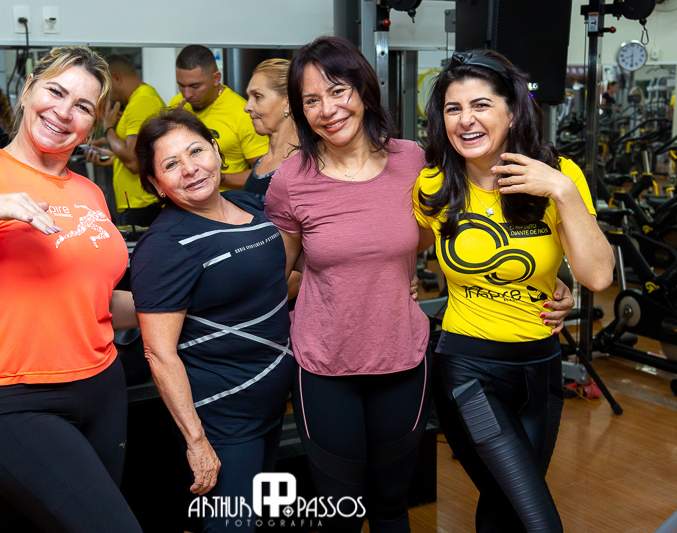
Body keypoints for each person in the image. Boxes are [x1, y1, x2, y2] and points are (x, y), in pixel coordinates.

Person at [0, 46, 142, 533]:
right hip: (11, 399)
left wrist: (179, 303)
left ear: (92, 125)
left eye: (83, 106)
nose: (64, 111)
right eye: (55, 91)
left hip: (102, 388)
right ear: (27, 90)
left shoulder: (89, 192)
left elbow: (91, 301)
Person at [413, 50, 614, 532]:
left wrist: (562, 190)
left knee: (504, 510)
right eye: (453, 108)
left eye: (481, 105)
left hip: (542, 370)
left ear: (512, 111)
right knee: (538, 522)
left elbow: (599, 277)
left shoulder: (560, 176)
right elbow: (398, 249)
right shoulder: (433, 183)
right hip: (468, 372)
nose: (465, 119)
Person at [263, 35, 433, 532]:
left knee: (391, 506)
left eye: (338, 91)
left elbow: (429, 237)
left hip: (401, 357)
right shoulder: (291, 179)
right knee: (340, 512)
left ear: (362, 89)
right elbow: (277, 274)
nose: (328, 110)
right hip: (324, 365)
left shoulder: (412, 160)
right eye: (311, 100)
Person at [130, 108, 293, 533]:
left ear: (217, 151)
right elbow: (159, 353)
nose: (190, 169)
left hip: (271, 402)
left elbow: (273, 284)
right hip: (223, 414)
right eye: (170, 164)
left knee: (253, 521)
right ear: (156, 184)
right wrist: (197, 441)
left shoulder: (248, 205)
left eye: (196, 151)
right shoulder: (165, 245)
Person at [168, 45, 267, 189]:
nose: (187, 94)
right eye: (181, 86)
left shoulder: (243, 113)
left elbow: (263, 173)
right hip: (184, 199)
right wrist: (171, 126)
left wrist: (215, 176)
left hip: (226, 199)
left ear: (216, 79)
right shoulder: (177, 105)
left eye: (195, 86)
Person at [86, 54, 165, 227]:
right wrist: (112, 158)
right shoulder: (137, 101)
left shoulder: (142, 101)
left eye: (107, 89)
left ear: (116, 78)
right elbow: (142, 154)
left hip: (143, 205)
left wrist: (108, 128)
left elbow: (134, 162)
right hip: (137, 204)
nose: (109, 97)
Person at [242, 58, 297, 201]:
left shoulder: (305, 166)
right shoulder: (260, 163)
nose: (247, 107)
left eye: (258, 97)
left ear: (288, 103)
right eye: (249, 97)